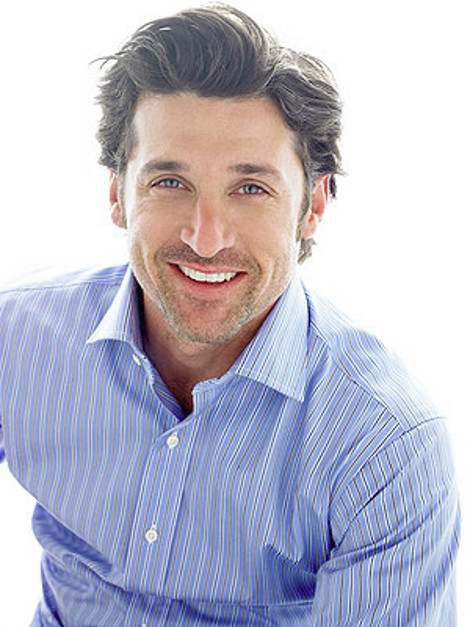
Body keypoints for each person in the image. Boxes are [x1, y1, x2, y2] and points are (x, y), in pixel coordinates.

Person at [0, 4, 460, 625]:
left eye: (251, 189)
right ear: (117, 193)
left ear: (312, 206)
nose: (206, 238)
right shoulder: (17, 337)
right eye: (170, 182)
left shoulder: (386, 446)